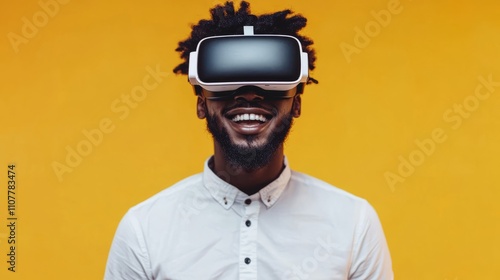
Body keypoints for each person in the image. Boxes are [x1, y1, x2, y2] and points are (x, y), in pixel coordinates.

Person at [104, 1, 393, 279]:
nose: (250, 95)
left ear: (296, 103)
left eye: (270, 83)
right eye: (228, 83)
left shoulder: (353, 224)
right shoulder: (144, 230)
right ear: (201, 103)